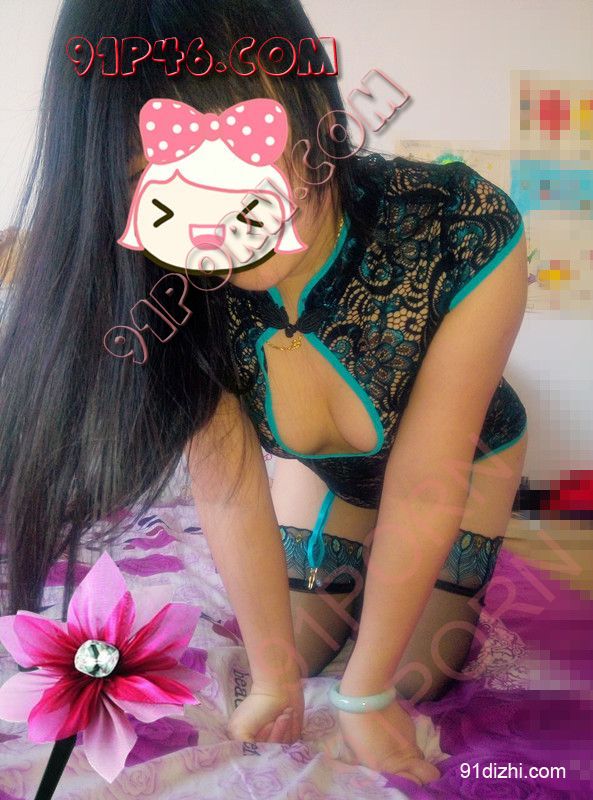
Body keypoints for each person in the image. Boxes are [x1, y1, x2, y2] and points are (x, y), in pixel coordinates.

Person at [0, 0, 528, 786]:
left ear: (308, 99)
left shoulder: (458, 226)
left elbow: (425, 481)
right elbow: (226, 487)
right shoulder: (168, 290)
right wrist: (279, 683)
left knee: (412, 677)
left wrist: (366, 695)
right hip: (327, 470)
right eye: (156, 179)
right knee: (279, 661)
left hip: (464, 460)